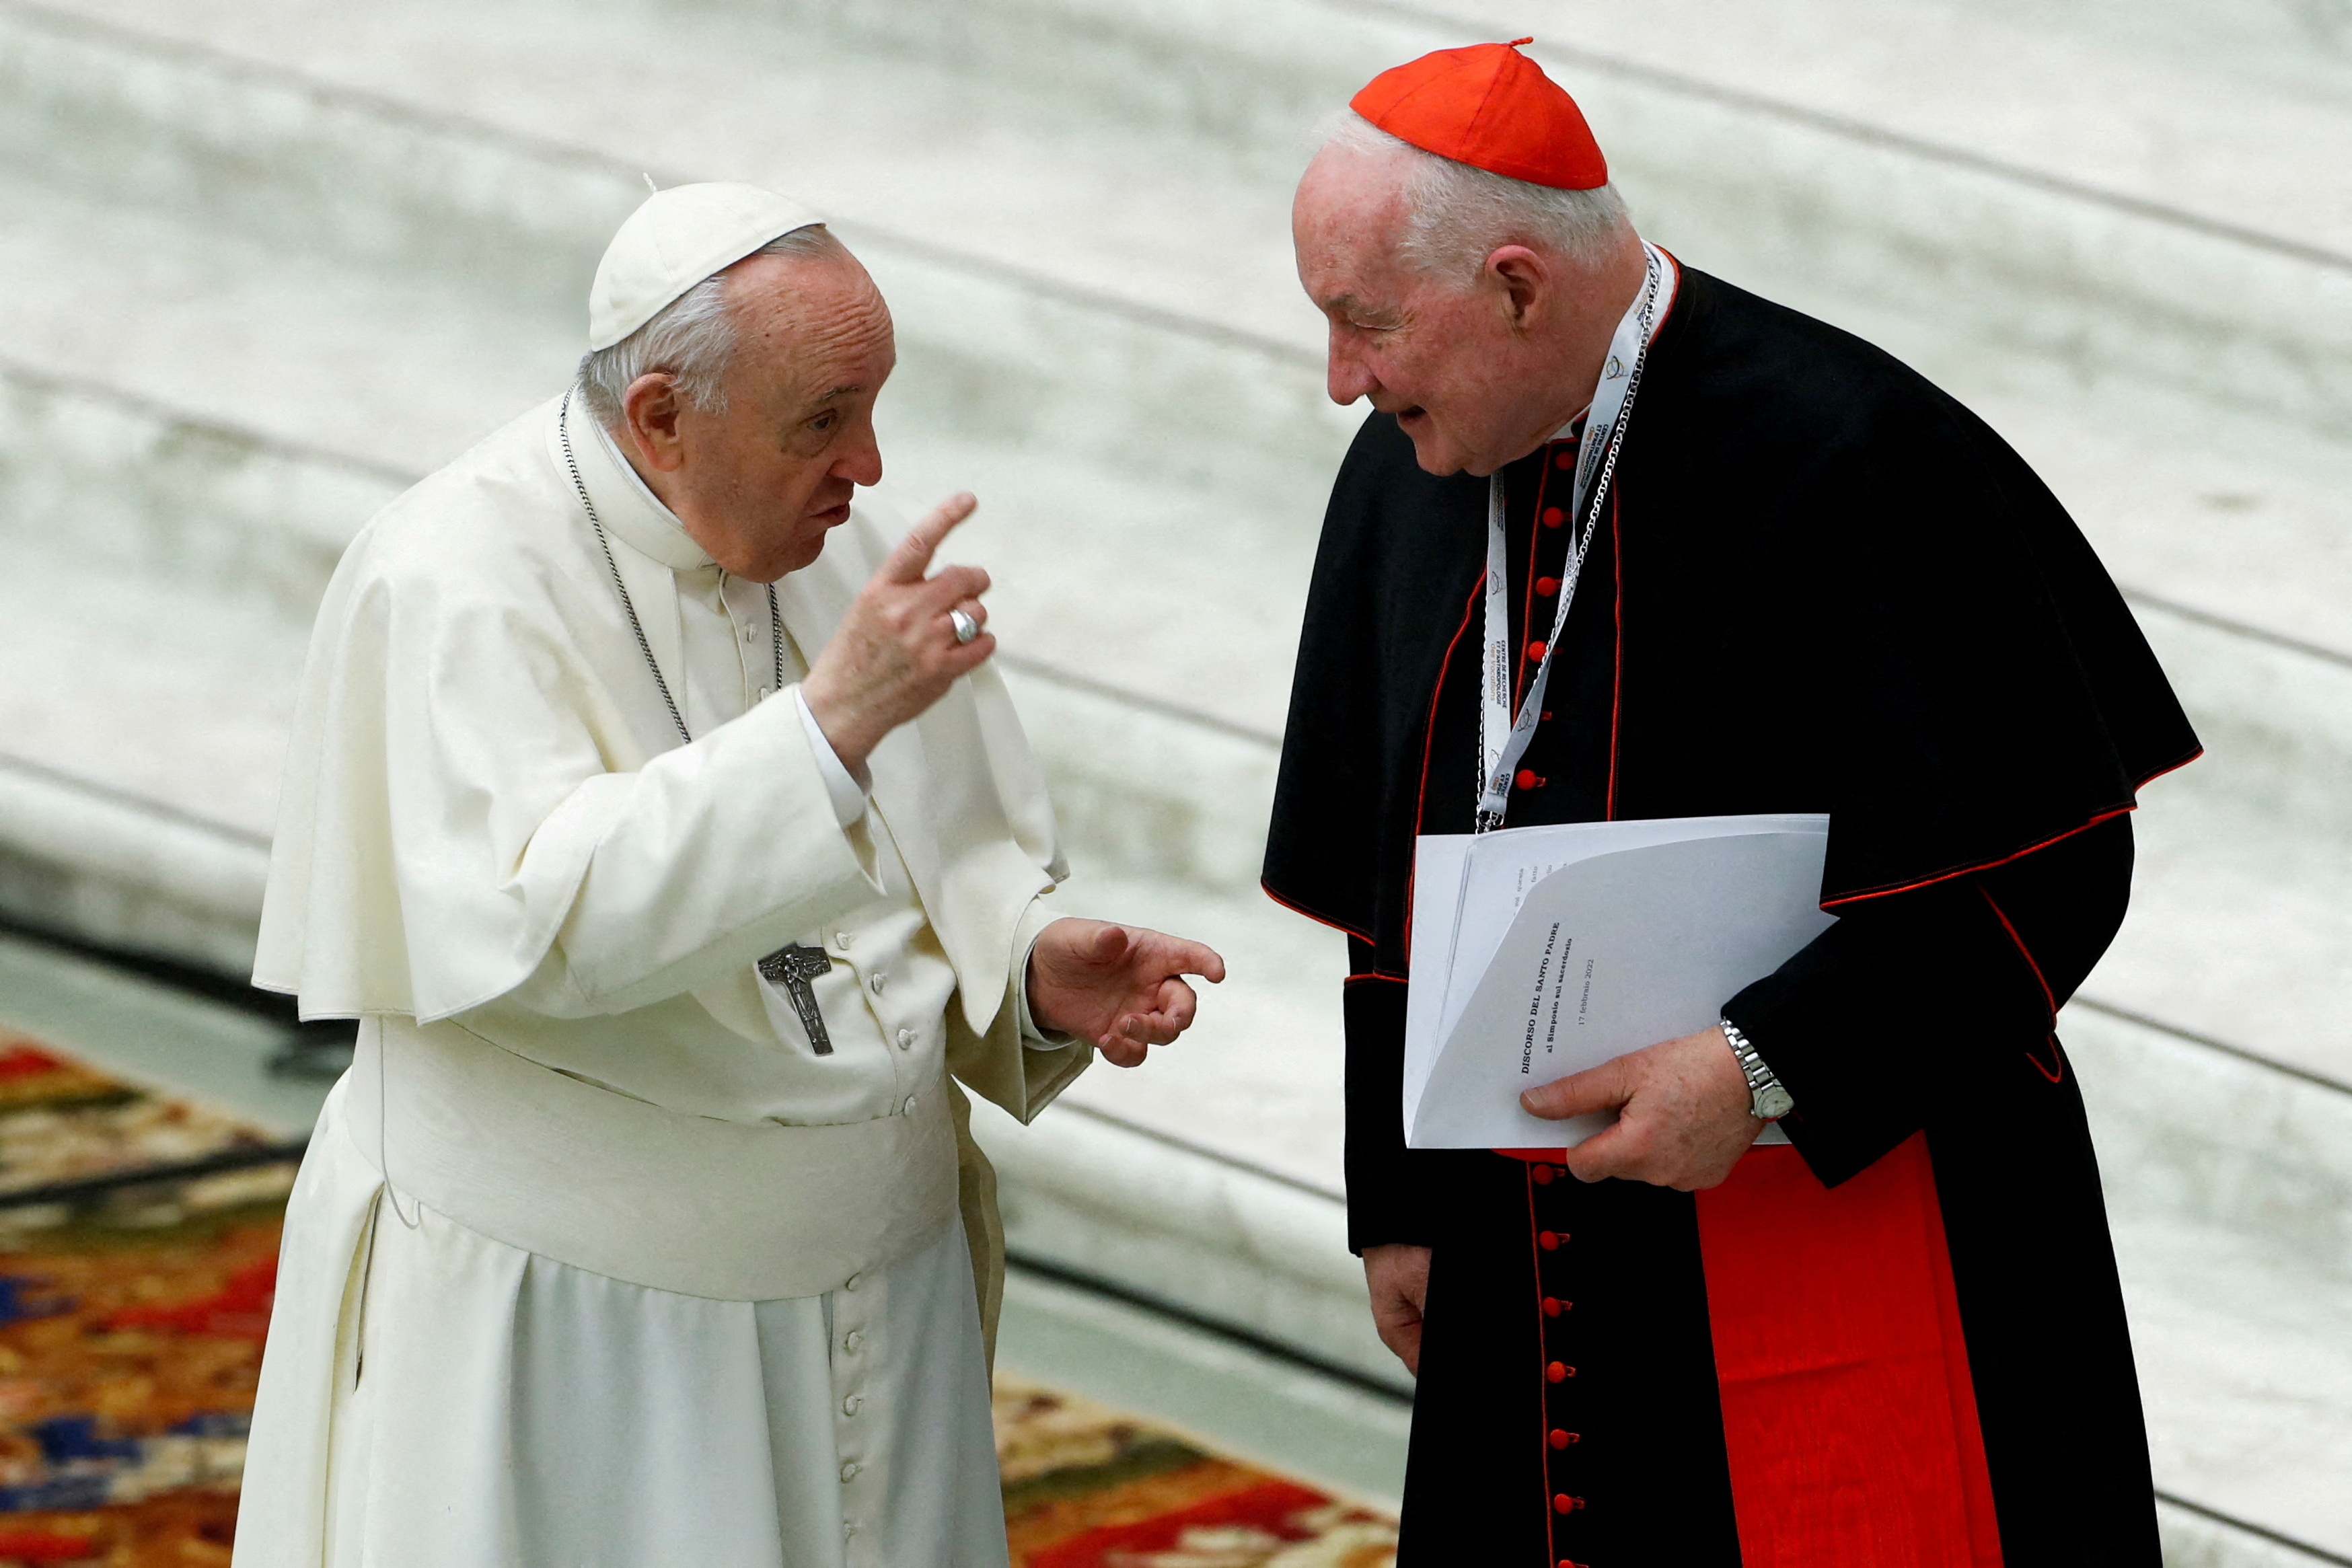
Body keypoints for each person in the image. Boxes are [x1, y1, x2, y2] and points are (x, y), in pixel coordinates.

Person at [1263, 42, 2200, 1567]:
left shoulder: (1856, 452)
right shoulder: (1408, 468)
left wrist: (1759, 1066)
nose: (1341, 381)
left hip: (1850, 1208)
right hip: (1527, 1242)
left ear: (1515, 285)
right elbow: (1389, 887)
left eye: (1361, 323)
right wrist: (1400, 1190)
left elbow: (2049, 868)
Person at [237, 182, 1224, 1568]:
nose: (868, 465)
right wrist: (824, 734)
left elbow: (931, 877)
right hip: (590, 1342)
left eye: (875, 405)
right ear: (658, 416)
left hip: (876, 1296)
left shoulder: (817, 547)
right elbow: (542, 923)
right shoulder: (449, 577)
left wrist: (1029, 966)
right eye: (825, 417)